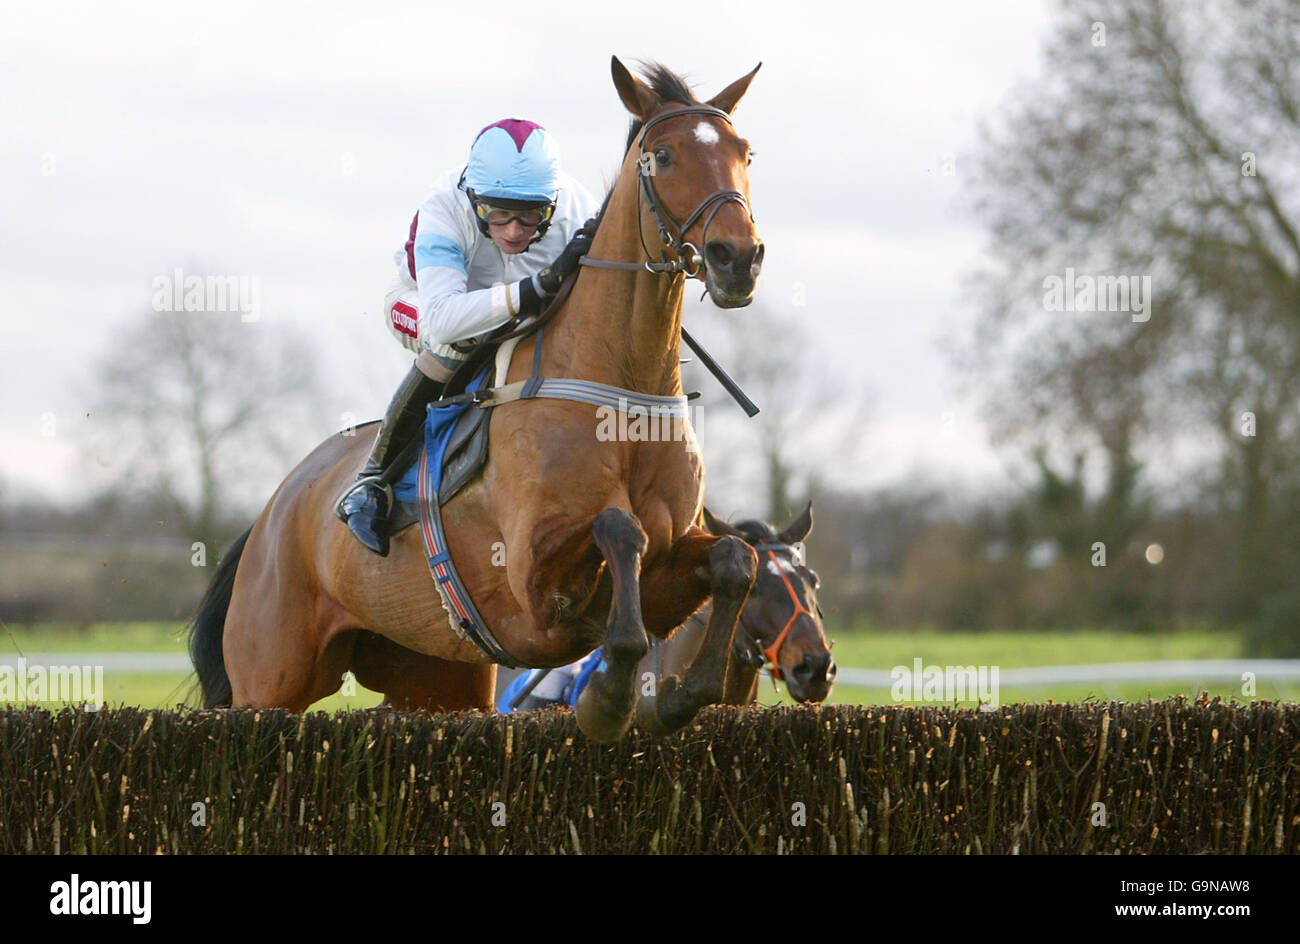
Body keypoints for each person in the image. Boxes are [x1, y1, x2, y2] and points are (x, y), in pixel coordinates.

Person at [338, 118, 600, 555]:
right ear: (474, 198)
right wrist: (533, 289)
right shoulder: (444, 204)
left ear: (552, 203)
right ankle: (374, 480)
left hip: (526, 313)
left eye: (531, 214)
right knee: (456, 338)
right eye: (498, 213)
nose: (514, 230)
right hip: (425, 303)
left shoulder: (579, 208)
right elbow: (442, 317)